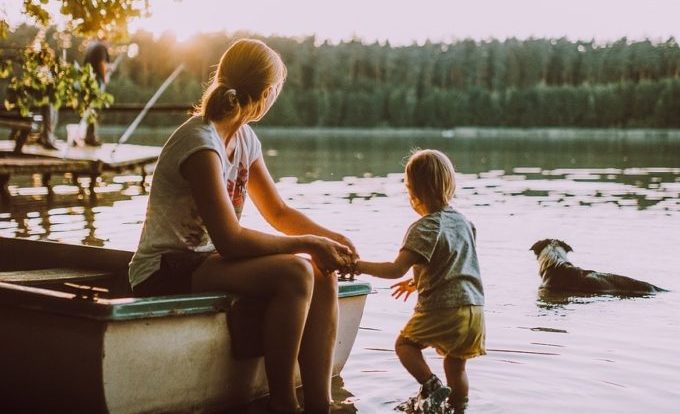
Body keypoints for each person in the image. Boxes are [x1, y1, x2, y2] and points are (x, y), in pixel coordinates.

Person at [128, 38, 356, 414]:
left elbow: (278, 212)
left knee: (322, 271)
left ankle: (321, 405)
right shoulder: (201, 143)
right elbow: (231, 239)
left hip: (207, 262)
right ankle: (284, 404)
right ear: (266, 94)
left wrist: (330, 240)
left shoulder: (245, 139)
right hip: (164, 269)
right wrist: (309, 244)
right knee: (297, 272)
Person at [352, 149, 486, 414]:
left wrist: (357, 266)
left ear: (413, 192)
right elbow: (453, 263)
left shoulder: (423, 227)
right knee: (455, 366)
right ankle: (458, 407)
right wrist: (416, 283)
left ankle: (431, 385)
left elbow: (395, 269)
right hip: (475, 311)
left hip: (444, 309)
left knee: (405, 345)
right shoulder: (464, 223)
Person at [82, 39, 110, 145]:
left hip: (88, 81)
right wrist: (104, 78)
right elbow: (101, 64)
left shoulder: (91, 47)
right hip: (97, 81)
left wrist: (108, 69)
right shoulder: (101, 47)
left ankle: (88, 136)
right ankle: (91, 137)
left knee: (90, 108)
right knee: (95, 109)